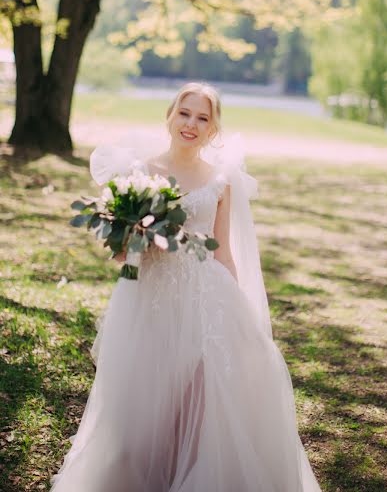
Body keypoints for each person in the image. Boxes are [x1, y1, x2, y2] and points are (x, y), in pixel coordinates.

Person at [50, 82, 321, 492]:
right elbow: (121, 252)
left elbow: (224, 251)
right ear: (170, 116)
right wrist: (133, 236)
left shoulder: (220, 179)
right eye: (184, 113)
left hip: (206, 300)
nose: (191, 124)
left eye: (202, 118)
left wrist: (240, 307)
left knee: (203, 400)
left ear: (213, 129)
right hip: (150, 296)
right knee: (145, 402)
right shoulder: (138, 173)